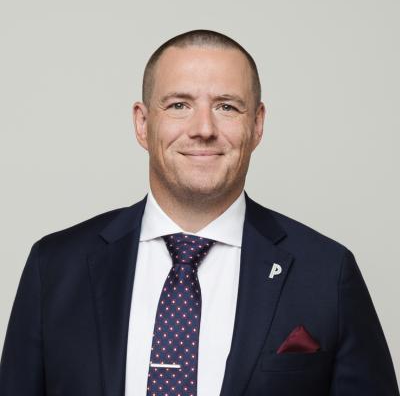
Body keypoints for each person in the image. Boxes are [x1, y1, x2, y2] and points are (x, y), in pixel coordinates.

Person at [0, 29, 398, 396]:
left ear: (257, 125)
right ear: (142, 123)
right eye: (179, 105)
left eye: (226, 107)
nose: (203, 128)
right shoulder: (55, 267)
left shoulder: (327, 274)